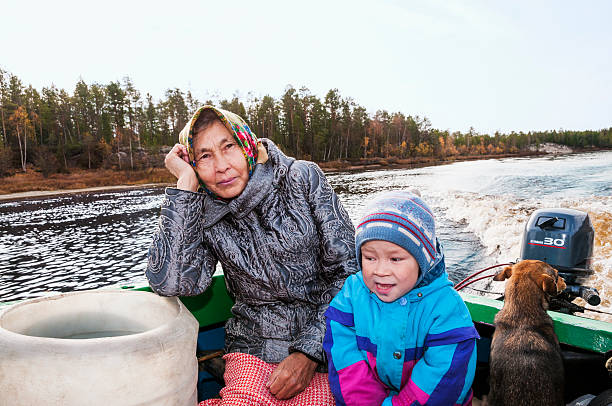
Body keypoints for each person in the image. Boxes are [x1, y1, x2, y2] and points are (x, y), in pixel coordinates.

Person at [146, 105, 357, 405]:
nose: (221, 166)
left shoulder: (301, 178)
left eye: (228, 146)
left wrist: (309, 351)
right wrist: (185, 188)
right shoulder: (203, 210)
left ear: (246, 143)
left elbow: (349, 272)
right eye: (204, 156)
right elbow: (170, 284)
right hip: (252, 346)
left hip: (328, 340)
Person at [323, 191, 479, 406]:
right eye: (370, 257)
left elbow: (442, 381)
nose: (380, 270)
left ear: (423, 259)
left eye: (395, 258)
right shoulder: (352, 293)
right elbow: (344, 357)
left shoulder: (446, 308)